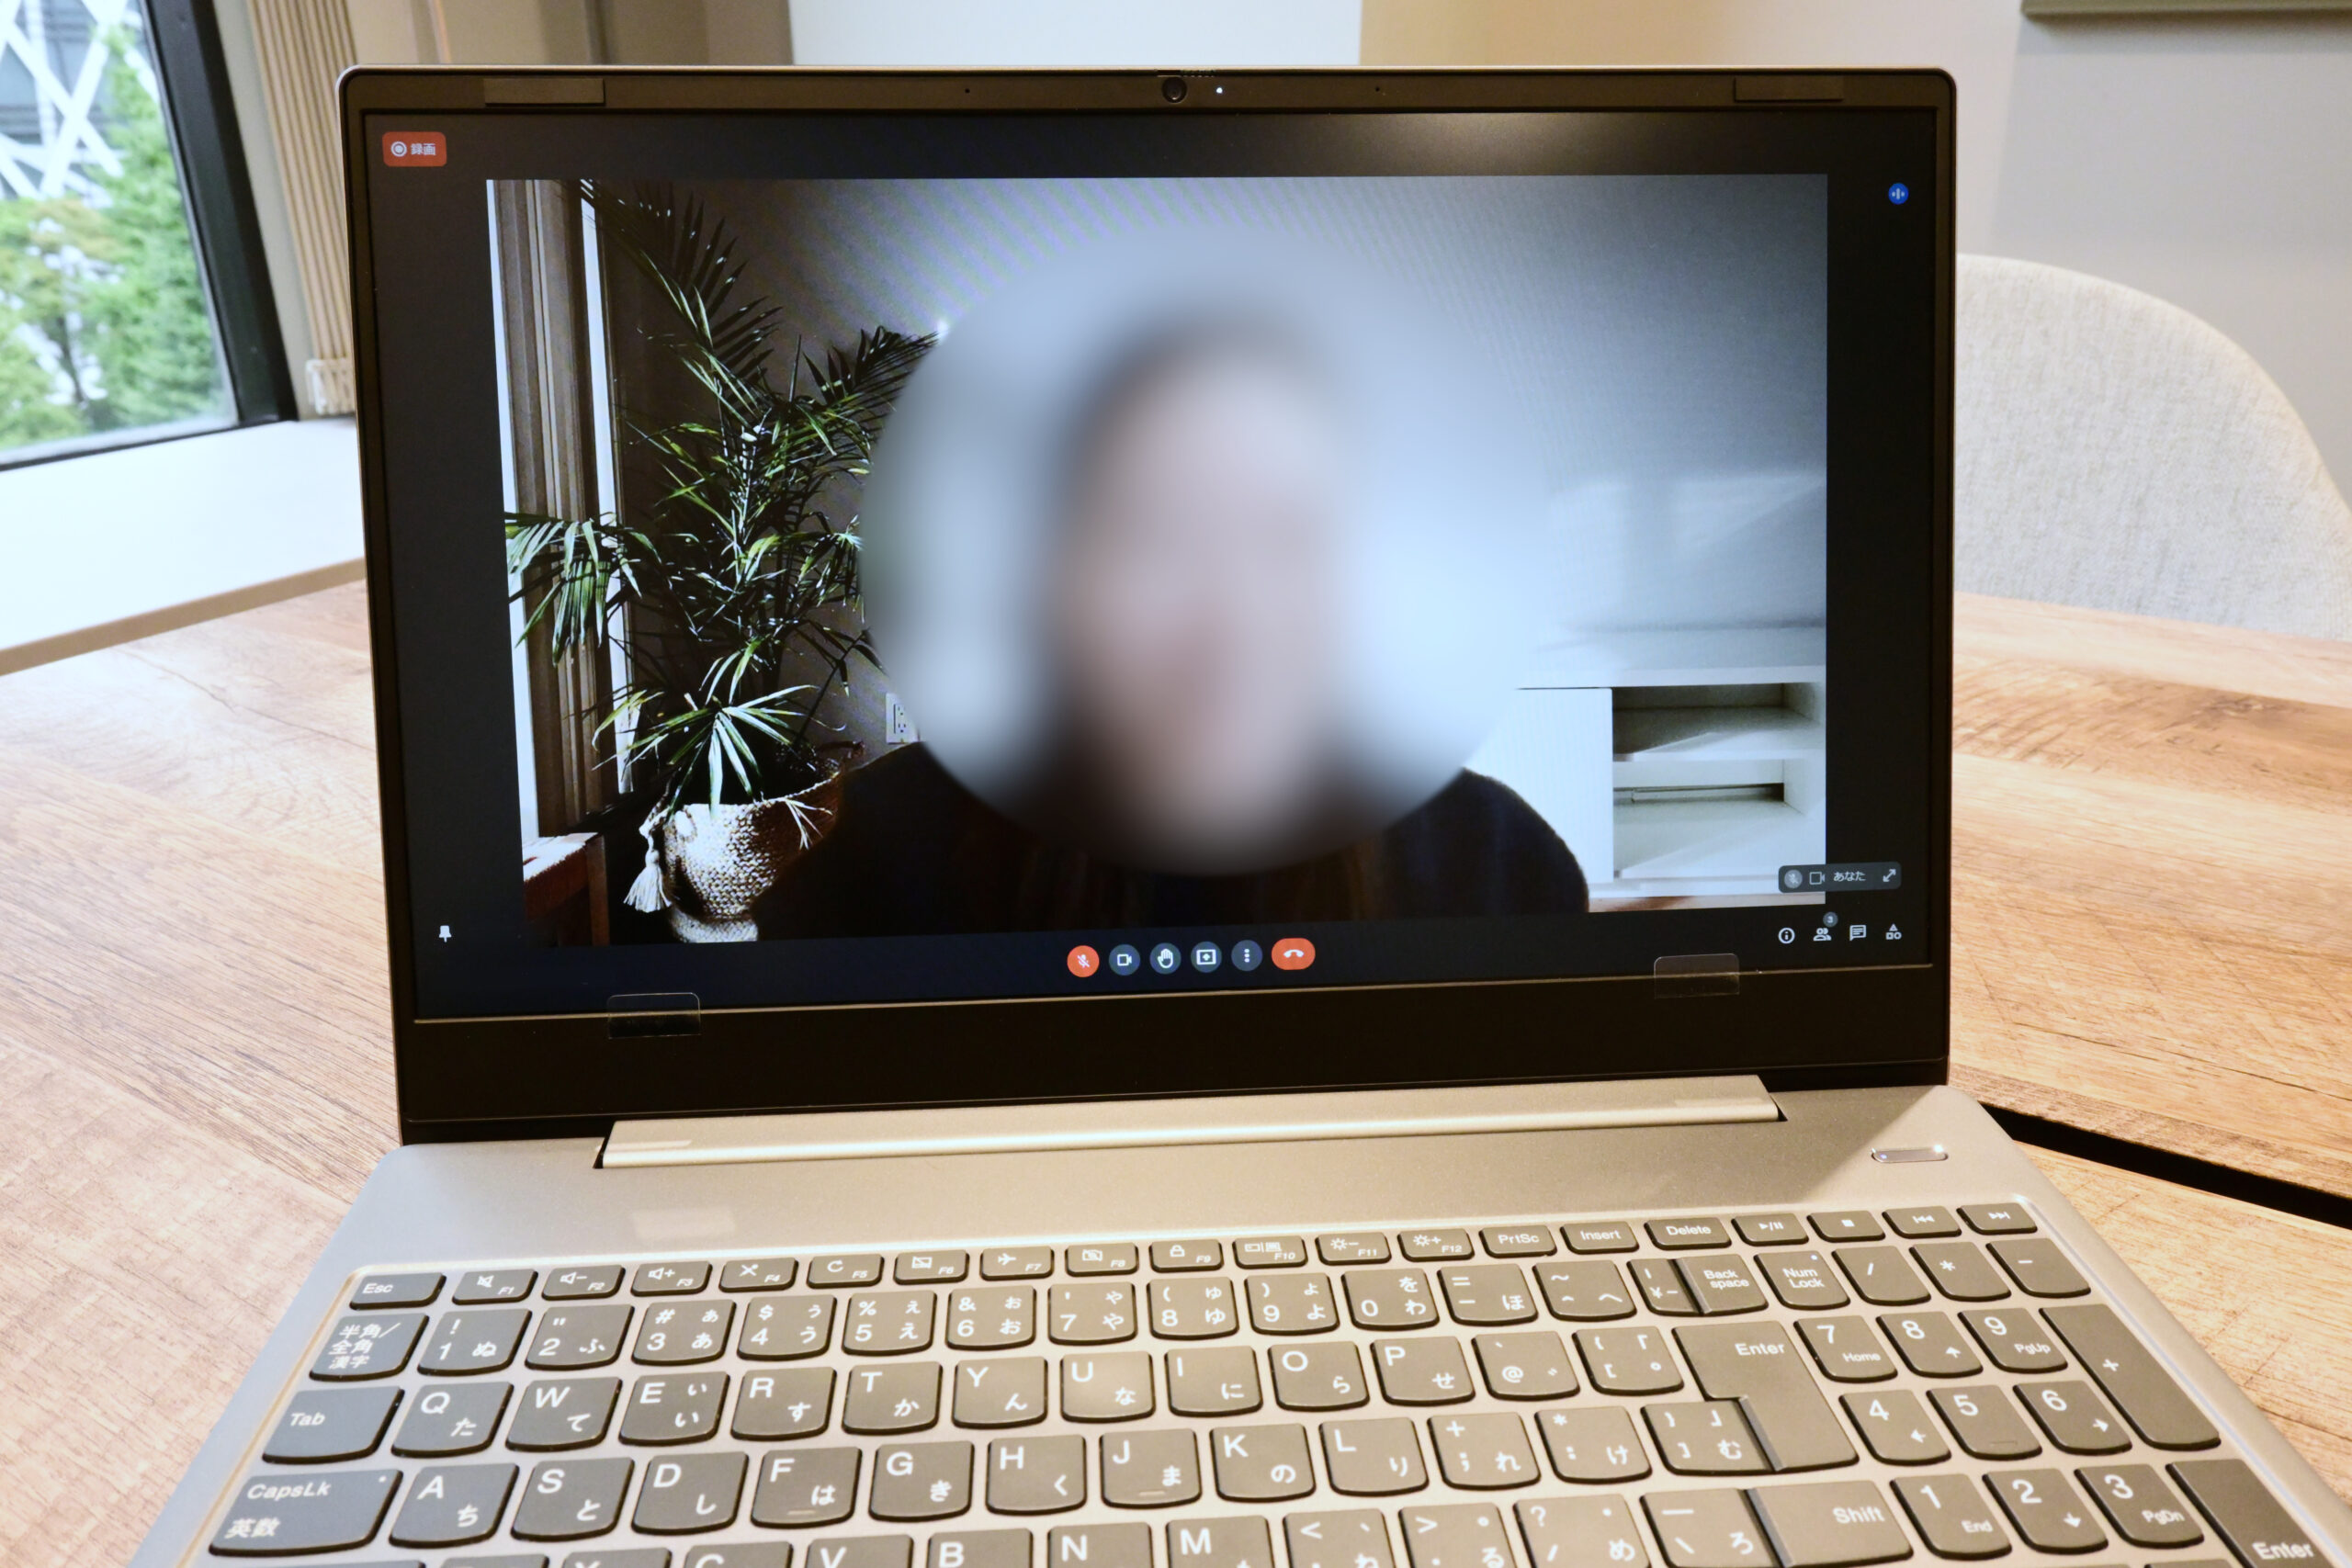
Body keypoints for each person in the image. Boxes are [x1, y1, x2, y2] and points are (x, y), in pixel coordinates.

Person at [758, 321, 1585, 939]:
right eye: (1157, 534)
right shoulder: (883, 857)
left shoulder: (1497, 863)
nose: (1236, 619)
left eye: (1291, 536)